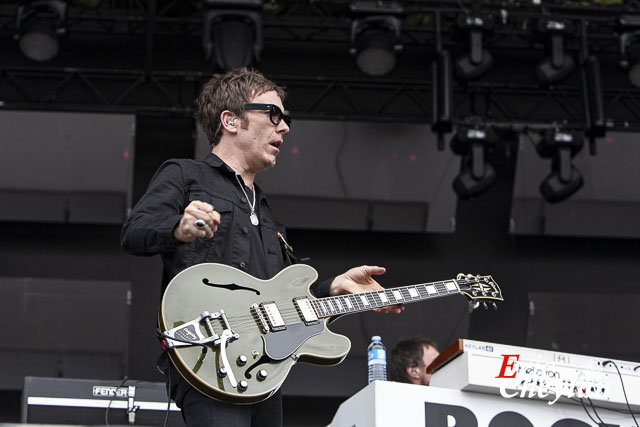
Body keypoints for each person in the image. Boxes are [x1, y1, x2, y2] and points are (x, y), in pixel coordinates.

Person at [120, 67, 402, 427]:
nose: (283, 127)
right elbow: (135, 231)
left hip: (264, 371)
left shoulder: (268, 215)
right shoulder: (185, 175)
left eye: (285, 118)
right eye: (273, 115)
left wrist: (332, 287)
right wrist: (180, 226)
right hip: (210, 358)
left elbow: (282, 299)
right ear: (231, 120)